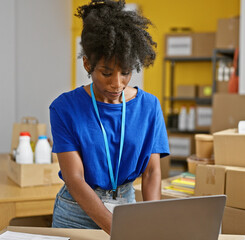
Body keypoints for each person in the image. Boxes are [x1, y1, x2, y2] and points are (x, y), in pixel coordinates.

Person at [49, 0, 169, 234]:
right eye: (106, 73)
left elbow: (152, 171)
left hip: (126, 206)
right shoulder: (64, 108)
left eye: (125, 72)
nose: (117, 83)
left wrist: (153, 223)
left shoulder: (149, 107)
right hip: (75, 213)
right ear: (87, 64)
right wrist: (115, 228)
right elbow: (74, 179)